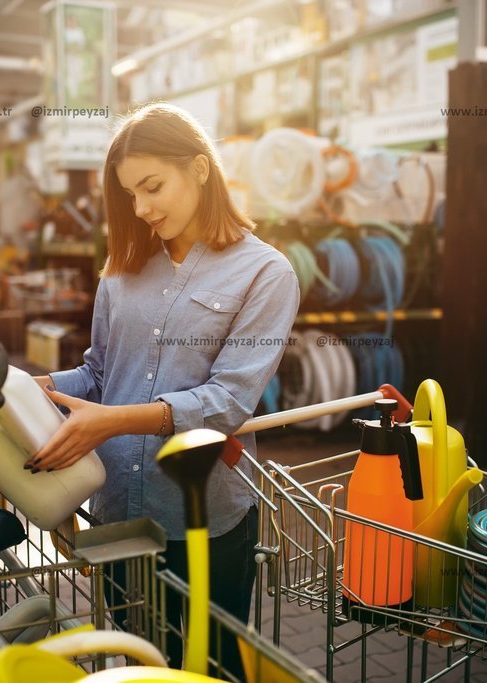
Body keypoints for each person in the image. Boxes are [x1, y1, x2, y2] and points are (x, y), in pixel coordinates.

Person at [28, 102, 299, 678]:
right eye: (130, 195)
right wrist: (39, 388)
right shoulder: (123, 267)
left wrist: (112, 421)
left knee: (209, 666)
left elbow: (227, 402)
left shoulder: (264, 274)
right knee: (139, 663)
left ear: (200, 169)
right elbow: (100, 375)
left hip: (203, 518)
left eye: (152, 186)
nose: (142, 208)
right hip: (118, 512)